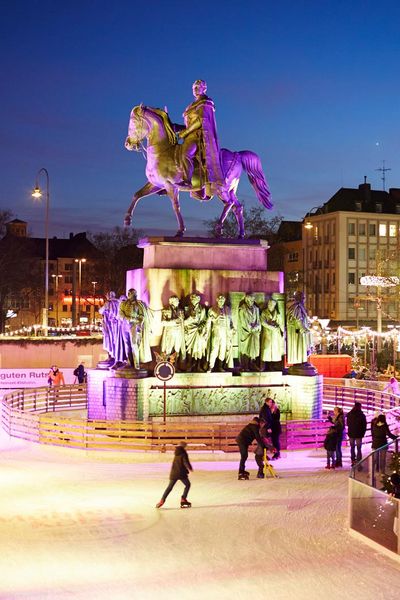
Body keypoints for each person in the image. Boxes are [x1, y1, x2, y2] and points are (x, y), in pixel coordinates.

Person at [177, 79, 224, 200]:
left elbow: (200, 121)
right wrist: (173, 127)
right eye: (194, 88)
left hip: (199, 136)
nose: (196, 90)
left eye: (198, 87)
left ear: (204, 88)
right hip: (188, 136)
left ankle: (187, 181)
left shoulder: (205, 101)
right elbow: (187, 125)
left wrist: (186, 132)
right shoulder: (190, 106)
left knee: (186, 154)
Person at [119, 288, 152, 369]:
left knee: (134, 345)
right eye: (129, 293)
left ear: (135, 295)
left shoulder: (139, 304)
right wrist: (128, 319)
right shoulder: (123, 304)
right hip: (125, 326)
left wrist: (135, 321)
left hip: (134, 326)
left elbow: (142, 316)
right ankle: (129, 362)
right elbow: (120, 314)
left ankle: (136, 364)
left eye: (132, 293)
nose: (130, 294)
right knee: (127, 345)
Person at [156, 441, 193, 508]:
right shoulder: (183, 453)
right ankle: (183, 499)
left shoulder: (176, 452)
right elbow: (185, 462)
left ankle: (162, 500)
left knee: (169, 487)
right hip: (181, 473)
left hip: (174, 473)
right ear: (183, 446)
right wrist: (190, 468)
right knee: (188, 485)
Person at [206, 294, 235, 372]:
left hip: (225, 333)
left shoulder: (228, 309)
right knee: (214, 350)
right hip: (216, 332)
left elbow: (231, 321)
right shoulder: (212, 309)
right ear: (217, 300)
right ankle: (211, 366)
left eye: (222, 299)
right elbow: (208, 321)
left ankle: (220, 366)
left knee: (222, 350)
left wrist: (232, 328)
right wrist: (206, 332)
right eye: (219, 299)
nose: (221, 301)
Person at [184, 293, 208, 372]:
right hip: (190, 331)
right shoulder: (187, 308)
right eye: (192, 299)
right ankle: (190, 365)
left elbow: (205, 320)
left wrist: (201, 326)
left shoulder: (202, 309)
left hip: (199, 331)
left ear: (198, 300)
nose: (194, 300)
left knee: (199, 349)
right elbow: (184, 322)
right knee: (190, 349)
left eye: (196, 299)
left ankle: (198, 366)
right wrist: (191, 318)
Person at [285, 291, 311, 365]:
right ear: (299, 298)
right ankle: (299, 361)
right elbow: (298, 319)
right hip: (297, 331)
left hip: (298, 330)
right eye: (303, 298)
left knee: (302, 345)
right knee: (299, 345)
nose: (304, 299)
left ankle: (302, 360)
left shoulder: (298, 306)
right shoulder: (297, 307)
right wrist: (302, 328)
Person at [238, 293, 261, 371]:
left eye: (253, 300)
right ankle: (245, 366)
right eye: (250, 300)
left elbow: (258, 320)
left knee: (254, 349)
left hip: (255, 332)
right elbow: (243, 321)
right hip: (246, 333)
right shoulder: (242, 309)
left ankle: (252, 364)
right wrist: (250, 328)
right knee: (246, 349)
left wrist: (257, 327)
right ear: (246, 300)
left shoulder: (256, 309)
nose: (251, 302)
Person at [160, 296, 186, 366]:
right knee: (168, 349)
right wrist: (174, 322)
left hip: (178, 332)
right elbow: (163, 322)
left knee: (177, 349)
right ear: (172, 302)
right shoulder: (166, 310)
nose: (178, 302)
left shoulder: (181, 311)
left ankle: (175, 366)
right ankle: (166, 366)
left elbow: (182, 321)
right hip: (170, 332)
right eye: (176, 301)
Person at [260, 298, 284, 369]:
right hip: (267, 334)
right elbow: (262, 322)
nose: (270, 305)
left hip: (275, 335)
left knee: (274, 351)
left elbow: (281, 323)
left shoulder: (278, 313)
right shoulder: (264, 312)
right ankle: (264, 366)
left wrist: (282, 331)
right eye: (269, 304)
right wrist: (271, 327)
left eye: (272, 304)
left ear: (274, 305)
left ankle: (272, 366)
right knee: (266, 350)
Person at [98, 291, 119, 365]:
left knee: (109, 341)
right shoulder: (118, 303)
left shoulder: (108, 303)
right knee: (116, 341)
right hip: (117, 326)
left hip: (109, 326)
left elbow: (100, 311)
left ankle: (111, 357)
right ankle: (117, 356)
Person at [346, 401, 367, 465]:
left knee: (352, 447)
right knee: (359, 448)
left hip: (351, 433)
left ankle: (353, 460)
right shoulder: (362, 415)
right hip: (359, 434)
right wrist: (363, 433)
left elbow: (347, 423)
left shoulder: (349, 414)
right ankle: (359, 460)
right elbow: (364, 425)